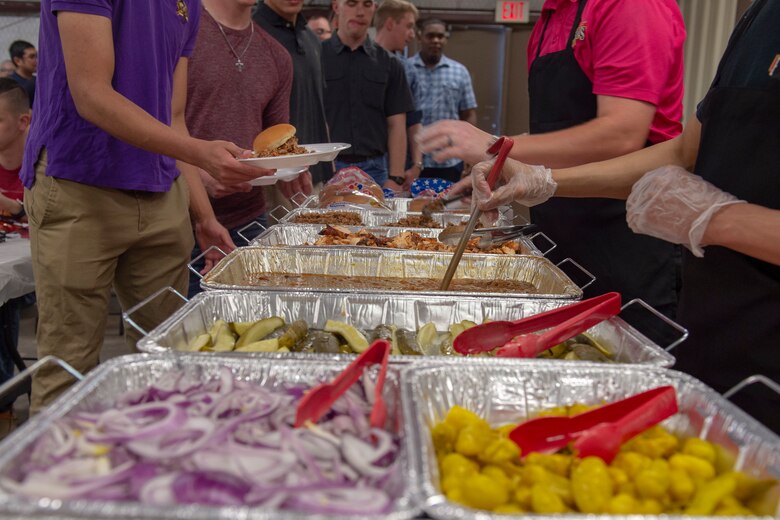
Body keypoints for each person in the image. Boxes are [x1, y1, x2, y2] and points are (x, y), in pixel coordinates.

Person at [469, 0, 780, 432]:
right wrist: (544, 180)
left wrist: (716, 219)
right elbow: (685, 151)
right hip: (715, 323)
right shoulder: (760, 17)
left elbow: (626, 132)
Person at [21, 0, 269, 413]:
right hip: (79, 184)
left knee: (168, 361)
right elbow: (92, 94)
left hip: (159, 191)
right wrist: (201, 154)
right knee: (68, 368)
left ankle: (162, 465)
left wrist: (204, 218)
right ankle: (53, 472)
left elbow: (173, 116)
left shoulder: (186, 4)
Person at [419, 0, 686, 330]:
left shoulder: (629, 5)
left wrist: (495, 146)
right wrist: (506, 166)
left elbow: (622, 134)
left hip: (628, 238)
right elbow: (563, 129)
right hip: (560, 236)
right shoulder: (548, 18)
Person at [186, 0, 308, 296]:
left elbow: (276, 143)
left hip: (248, 220)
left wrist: (293, 169)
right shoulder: (181, 30)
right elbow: (151, 124)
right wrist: (199, 176)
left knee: (248, 333)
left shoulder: (276, 55)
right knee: (181, 334)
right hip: (178, 220)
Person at [322, 0, 414, 187]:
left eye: (366, 4)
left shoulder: (390, 64)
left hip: (375, 170)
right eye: (351, 3)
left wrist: (396, 177)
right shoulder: (316, 58)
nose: (360, 12)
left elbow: (397, 124)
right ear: (336, 7)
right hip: (326, 168)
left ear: (374, 8)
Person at [254, 0, 332, 196]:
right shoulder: (252, 33)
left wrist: (328, 168)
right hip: (271, 179)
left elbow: (319, 107)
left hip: (315, 172)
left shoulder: (311, 39)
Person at [411, 18, 477, 183]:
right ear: (420, 37)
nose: (436, 40)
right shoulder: (406, 68)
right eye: (430, 36)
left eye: (440, 36)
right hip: (413, 161)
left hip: (450, 160)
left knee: (447, 207)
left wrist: (470, 151)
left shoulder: (459, 72)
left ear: (446, 39)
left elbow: (468, 114)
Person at [0, 78, 31, 432]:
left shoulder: (44, 165)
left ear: (24, 121)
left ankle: (5, 399)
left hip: (35, 270)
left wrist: (14, 208)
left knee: (4, 303)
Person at [374, 0, 423, 191]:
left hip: (395, 169)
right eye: (409, 26)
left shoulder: (407, 69)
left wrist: (416, 165)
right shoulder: (358, 61)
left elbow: (414, 121)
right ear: (390, 23)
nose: (412, 34)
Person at [8, 41, 37, 107]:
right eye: (32, 57)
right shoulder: (11, 85)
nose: (37, 60)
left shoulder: (38, 81)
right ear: (18, 61)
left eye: (37, 56)